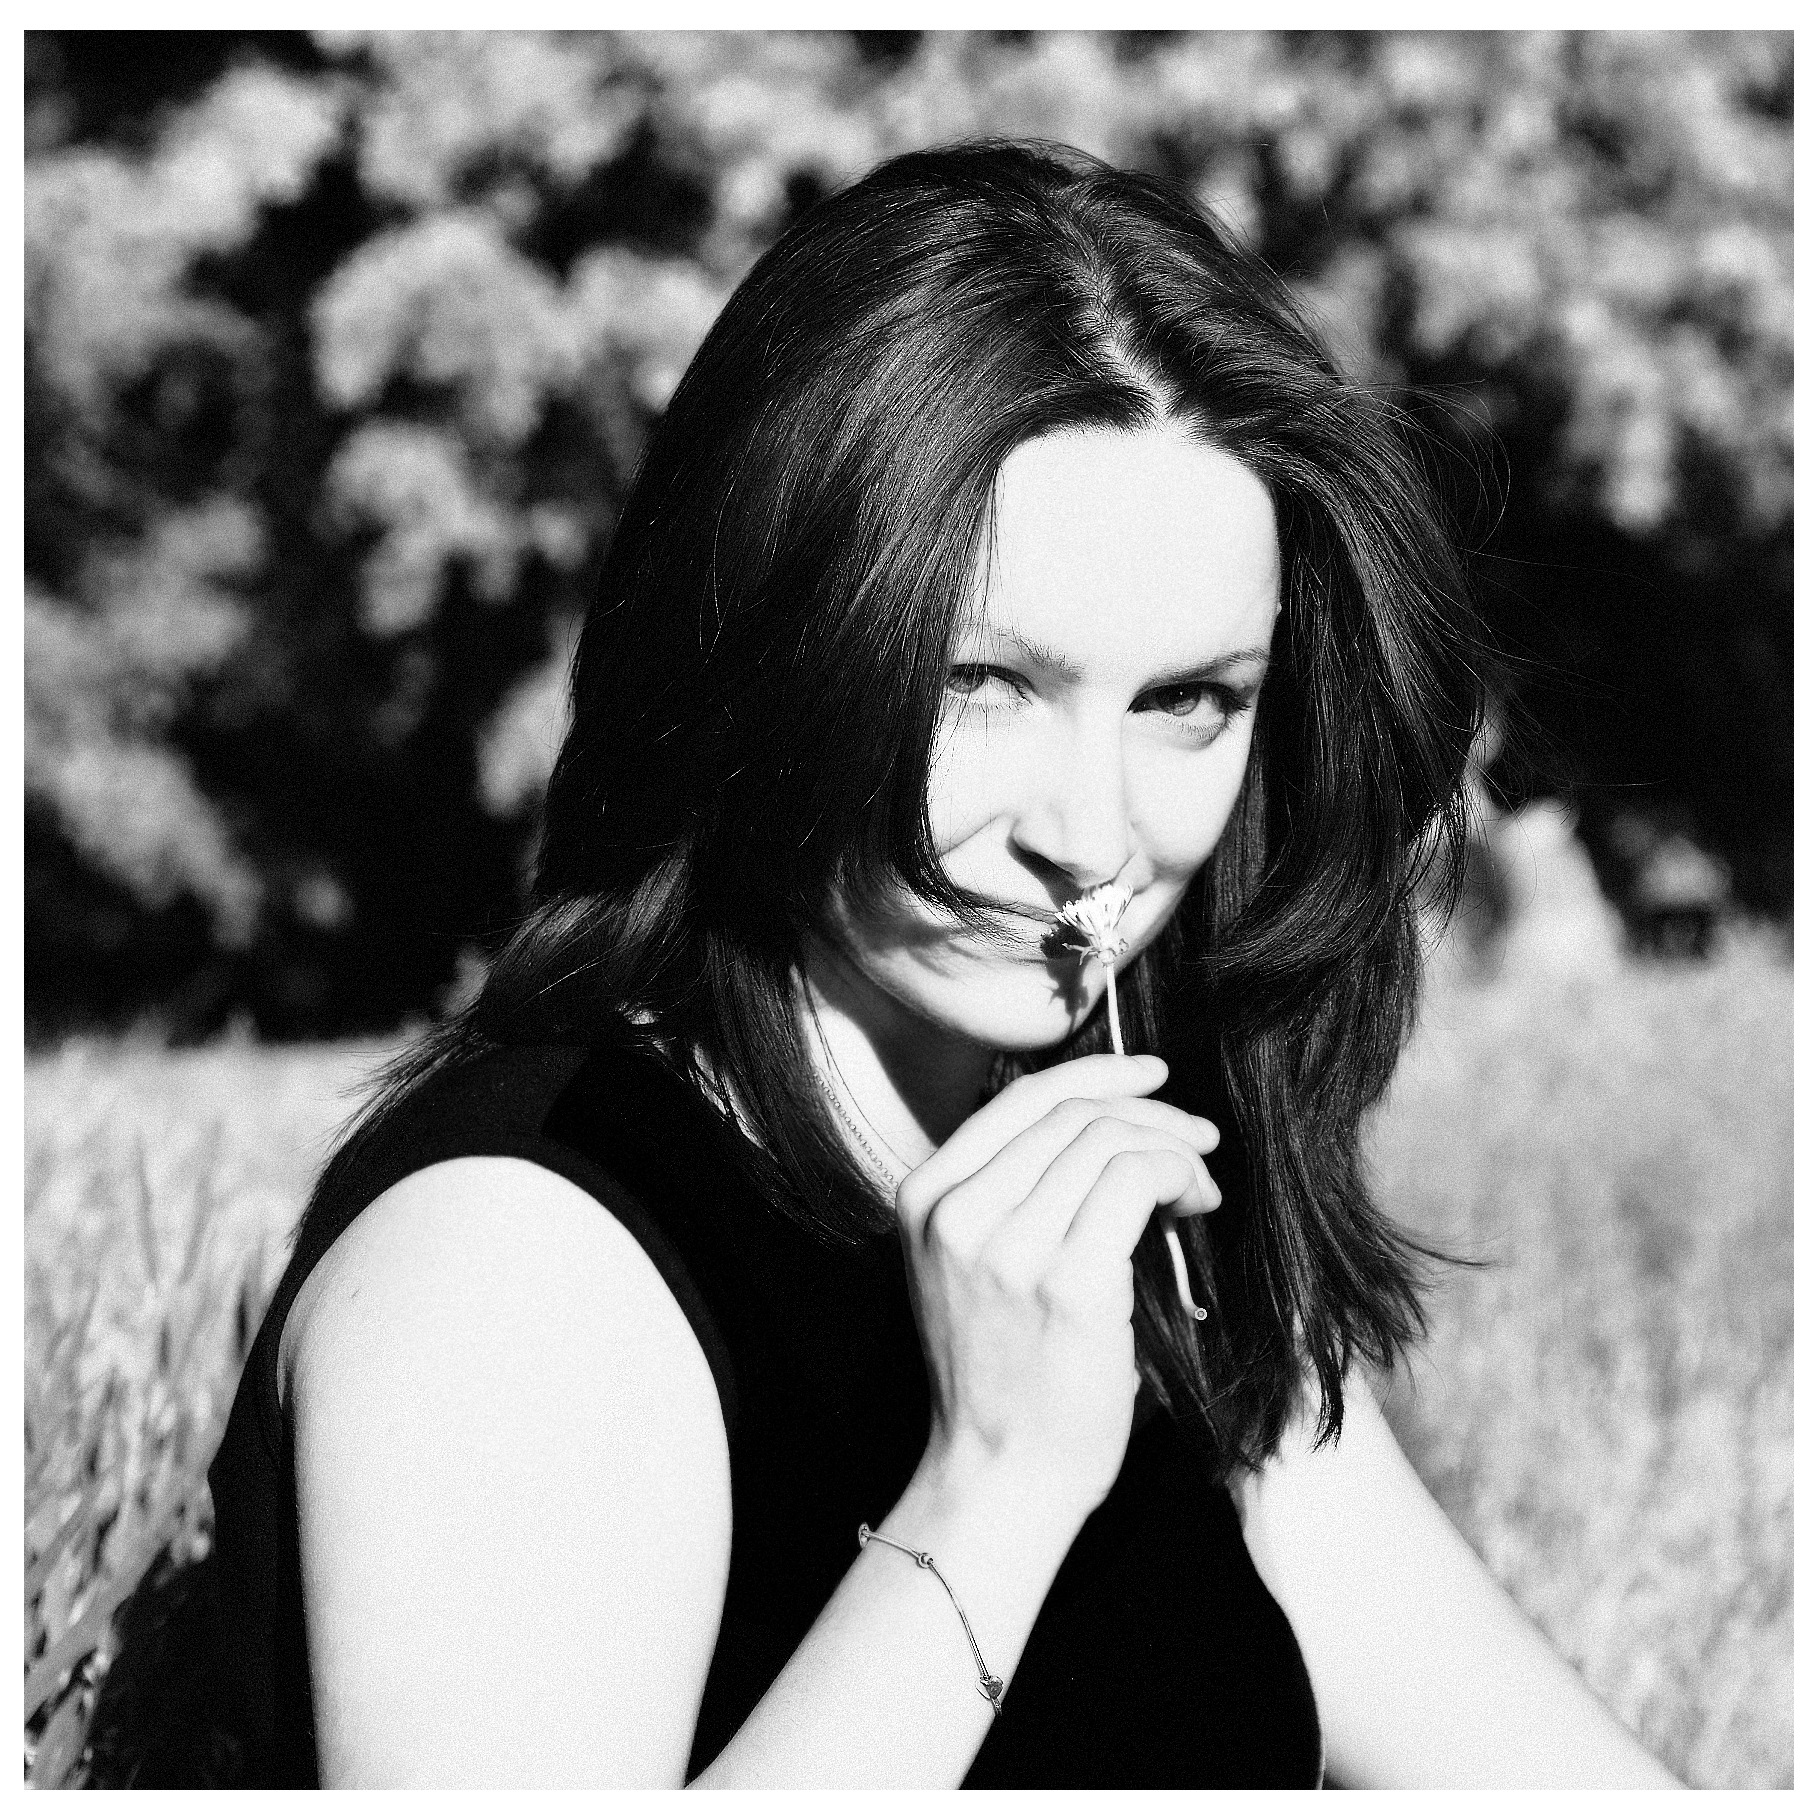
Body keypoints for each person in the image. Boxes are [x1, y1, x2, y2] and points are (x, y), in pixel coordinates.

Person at [204, 139, 1679, 1789]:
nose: (1090, 831)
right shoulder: (522, 1260)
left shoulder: (1130, 1207)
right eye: (983, 684)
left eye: (1188, 701)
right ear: (772, 652)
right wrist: (993, 1486)